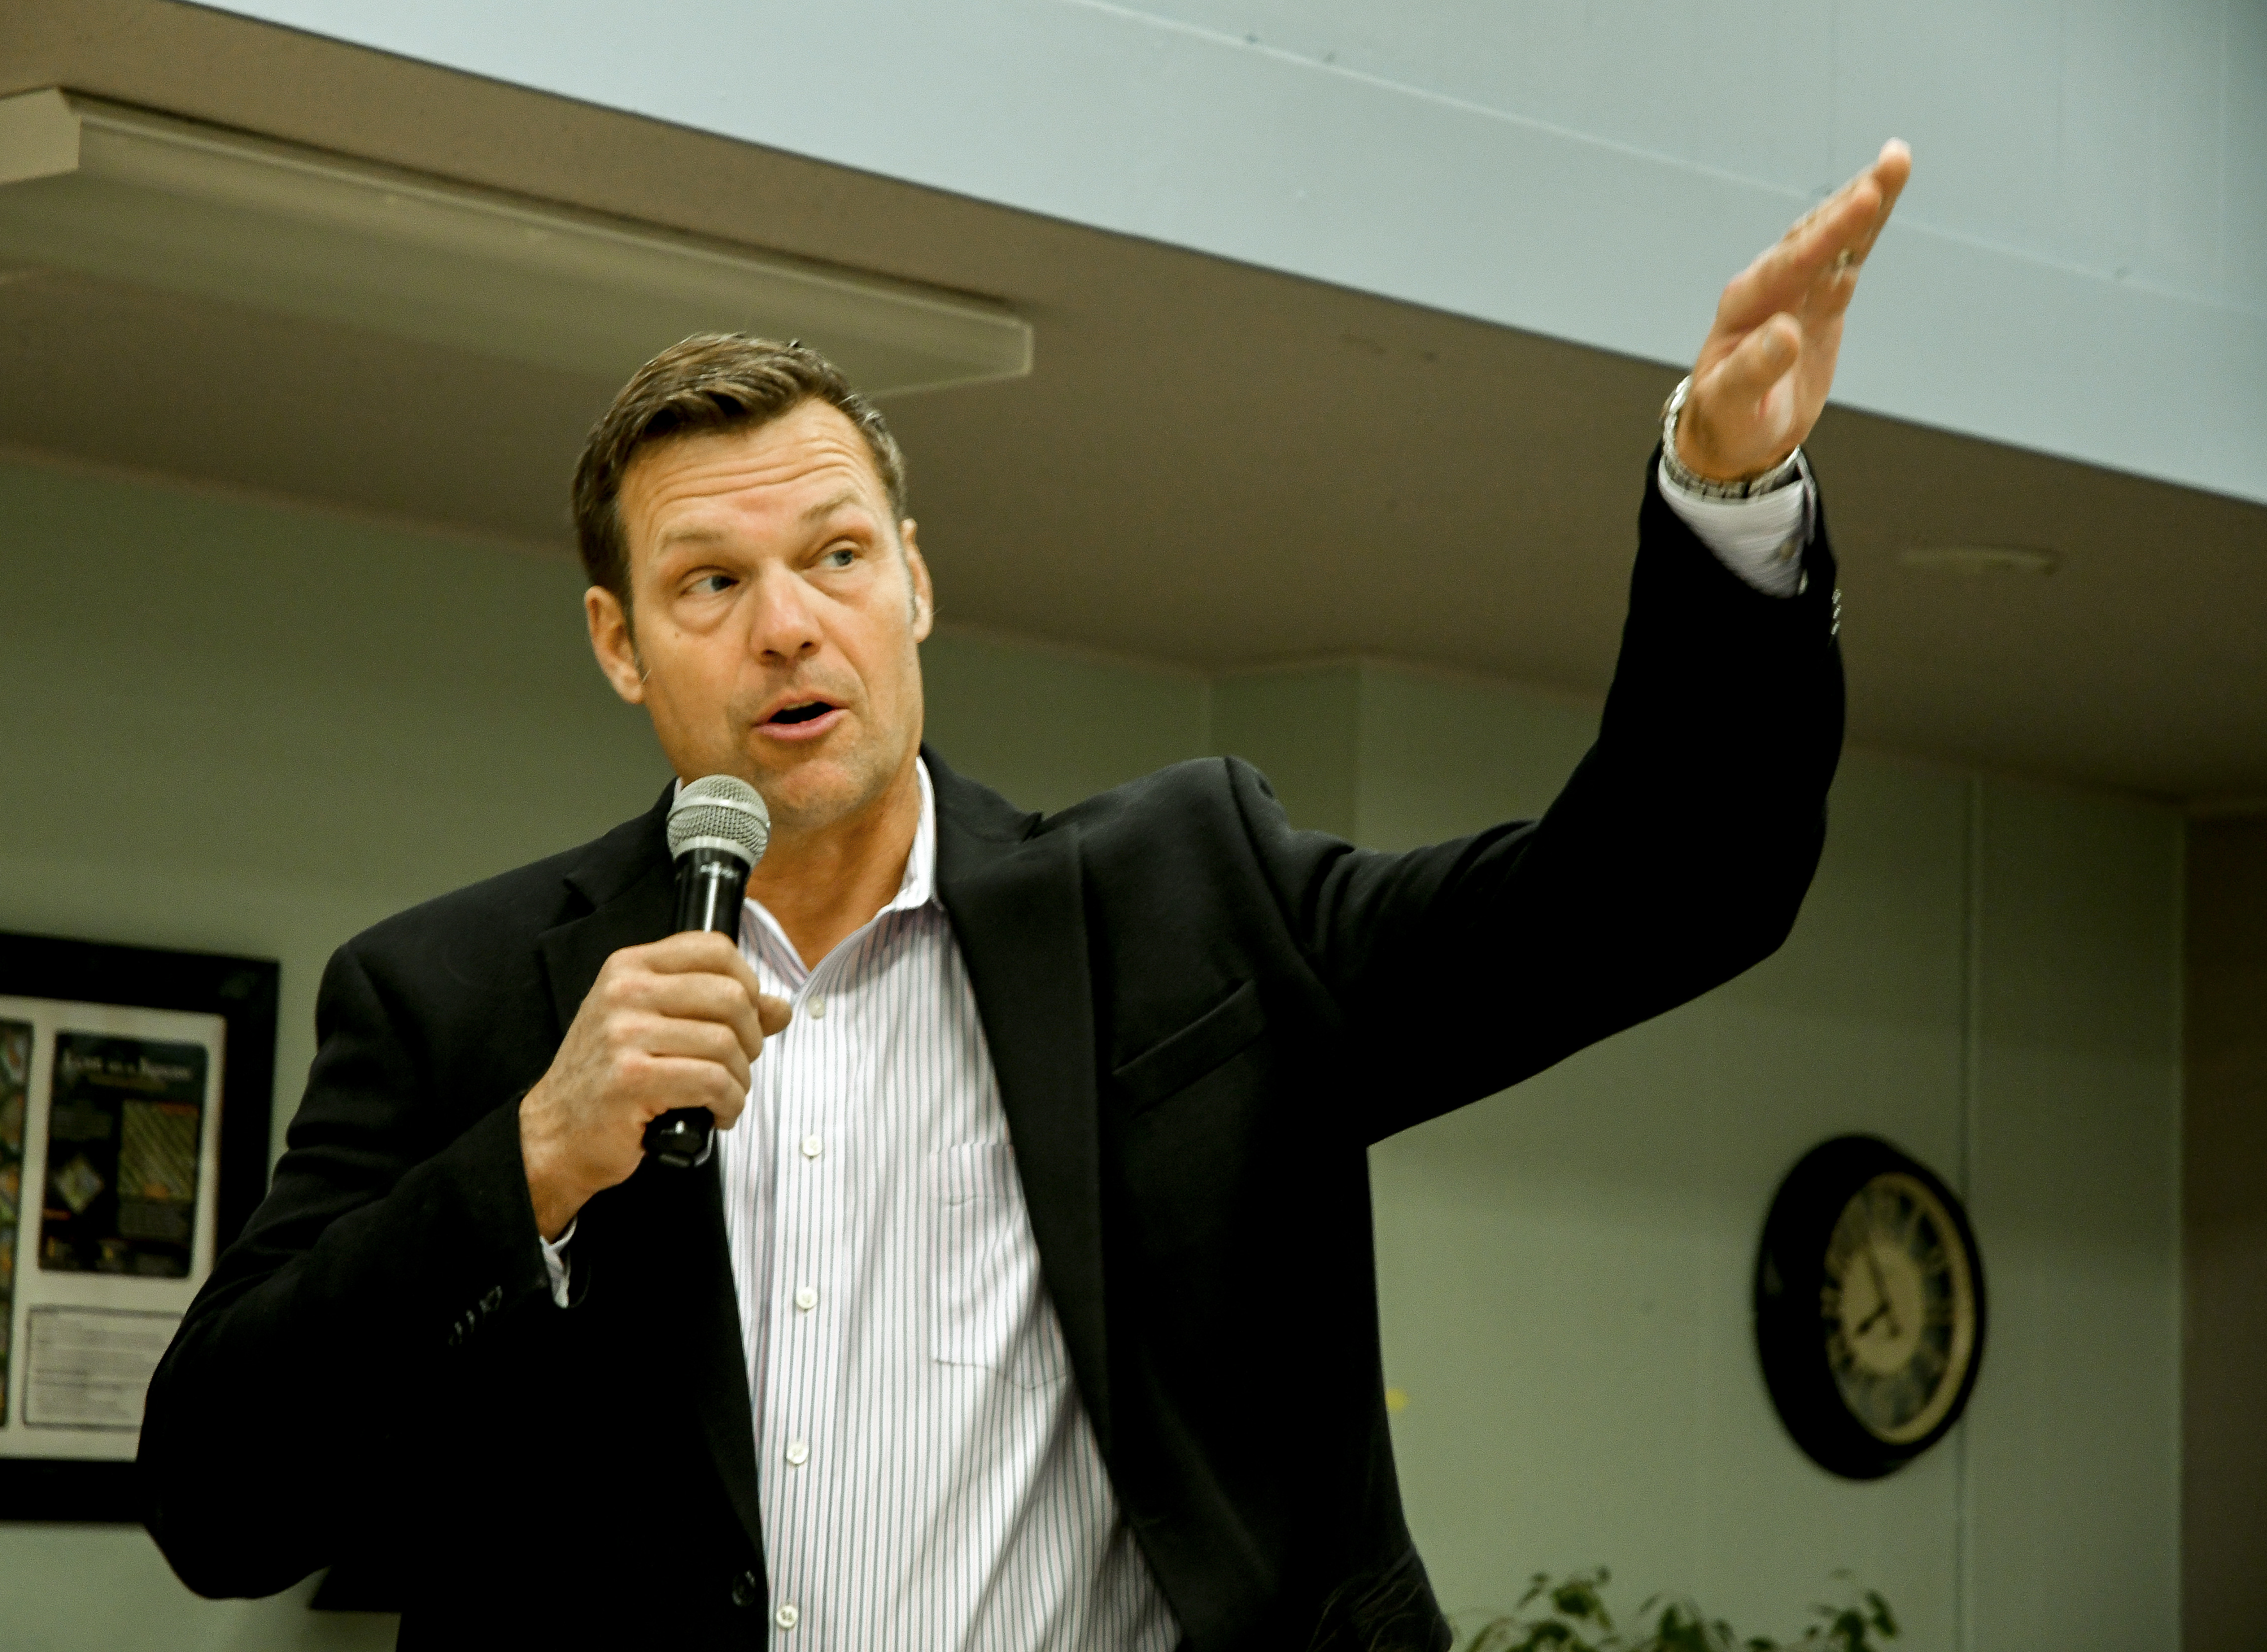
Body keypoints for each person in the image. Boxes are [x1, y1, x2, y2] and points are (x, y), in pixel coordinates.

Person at [139, 143, 1911, 1651]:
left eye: (835, 555)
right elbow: (220, 1502)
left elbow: (1667, 891)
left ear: (914, 584)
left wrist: (1729, 493)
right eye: (709, 581)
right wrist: (527, 1160)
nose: (786, 623)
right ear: (619, 644)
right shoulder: (455, 1001)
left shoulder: (1186, 910)